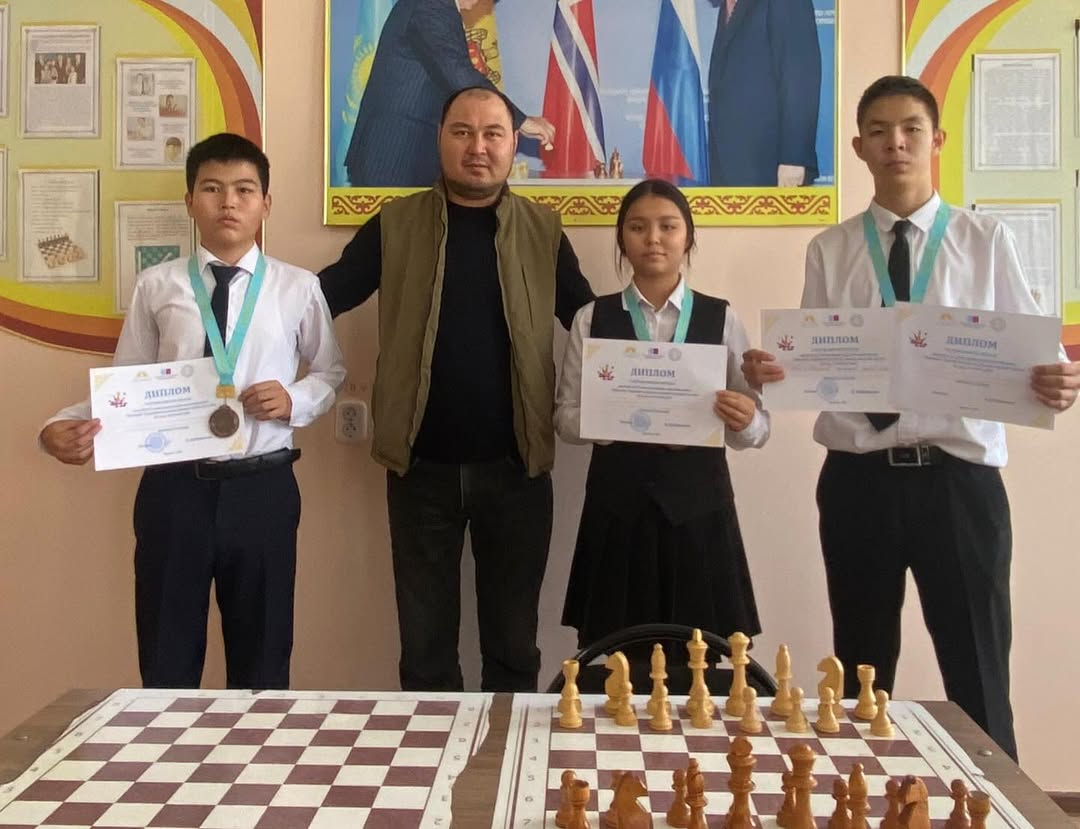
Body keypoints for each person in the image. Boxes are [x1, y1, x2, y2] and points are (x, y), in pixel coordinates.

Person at [742, 75, 1080, 760]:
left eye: (910, 129)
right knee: (861, 673)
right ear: (859, 147)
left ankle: (993, 802)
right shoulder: (830, 249)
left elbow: (1036, 358)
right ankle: (861, 796)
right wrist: (773, 371)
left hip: (959, 483)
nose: (895, 143)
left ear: (936, 140)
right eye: (879, 131)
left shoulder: (986, 240)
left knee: (978, 671)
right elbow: (811, 358)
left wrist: (1059, 380)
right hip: (858, 481)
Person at [40, 133, 346, 690]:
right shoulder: (158, 285)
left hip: (262, 489)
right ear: (189, 202)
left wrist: (294, 400)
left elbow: (330, 371)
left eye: (244, 190)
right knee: (166, 657)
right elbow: (127, 384)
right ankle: (167, 750)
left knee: (263, 658)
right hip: (174, 490)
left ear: (266, 203)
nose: (228, 202)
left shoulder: (297, 287)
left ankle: (257, 748)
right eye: (212, 188)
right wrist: (59, 425)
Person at [321, 86, 594, 692]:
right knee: (425, 655)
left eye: (493, 133)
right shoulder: (395, 224)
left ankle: (506, 752)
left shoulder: (543, 230)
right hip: (420, 472)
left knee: (514, 649)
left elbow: (591, 324)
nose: (478, 147)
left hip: (518, 472)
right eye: (462, 132)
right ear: (439, 138)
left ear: (513, 144)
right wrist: (241, 330)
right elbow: (322, 297)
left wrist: (682, 364)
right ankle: (430, 757)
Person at [555, 179, 769, 649]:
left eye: (668, 226)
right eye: (638, 227)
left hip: (700, 512)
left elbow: (755, 429)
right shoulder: (591, 318)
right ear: (621, 239)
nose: (653, 239)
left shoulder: (721, 316)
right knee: (616, 658)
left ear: (687, 237)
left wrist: (745, 418)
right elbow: (564, 418)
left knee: (703, 660)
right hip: (617, 511)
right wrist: (603, 418)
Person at [342, 0, 555, 187]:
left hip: (409, 152)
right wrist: (520, 120)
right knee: (393, 223)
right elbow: (459, 74)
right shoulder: (430, 5)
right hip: (394, 154)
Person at [706, 0, 821, 187]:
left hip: (770, 168)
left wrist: (794, 159)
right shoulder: (727, 7)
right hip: (728, 167)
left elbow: (800, 77)